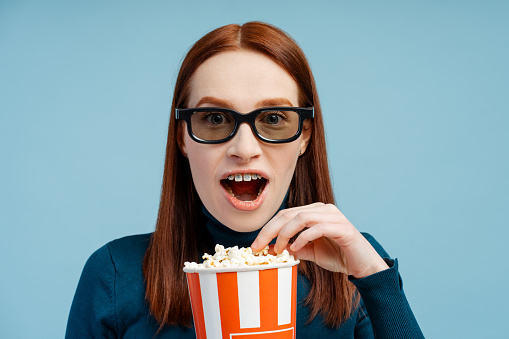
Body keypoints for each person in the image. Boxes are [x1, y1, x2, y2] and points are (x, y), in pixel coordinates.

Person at [66, 21, 424, 338]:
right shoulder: (114, 274)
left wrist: (375, 277)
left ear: (304, 137)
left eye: (272, 118)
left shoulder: (355, 265)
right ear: (183, 139)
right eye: (216, 118)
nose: (244, 148)